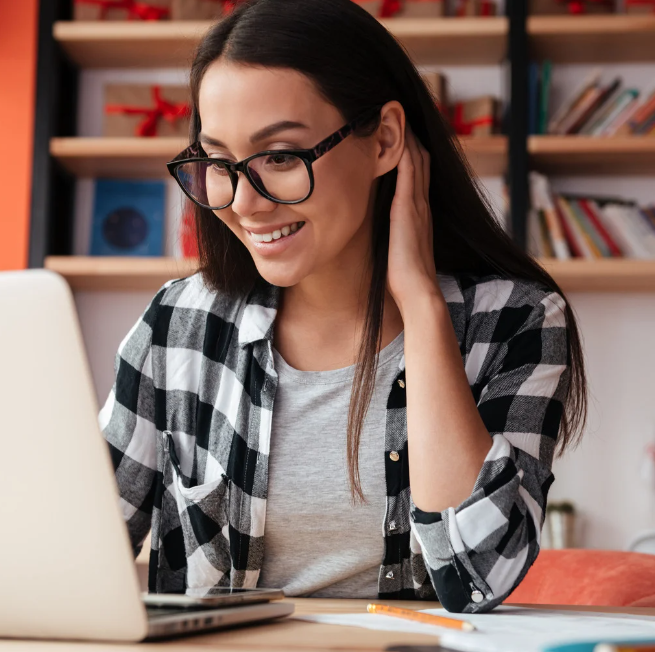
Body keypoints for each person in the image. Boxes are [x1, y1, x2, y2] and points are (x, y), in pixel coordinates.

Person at [98, 0, 588, 613]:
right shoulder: (180, 325)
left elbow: (478, 576)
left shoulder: (516, 320)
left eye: (279, 156)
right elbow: (76, 554)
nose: (244, 205)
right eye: (219, 163)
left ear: (384, 139)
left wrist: (422, 308)